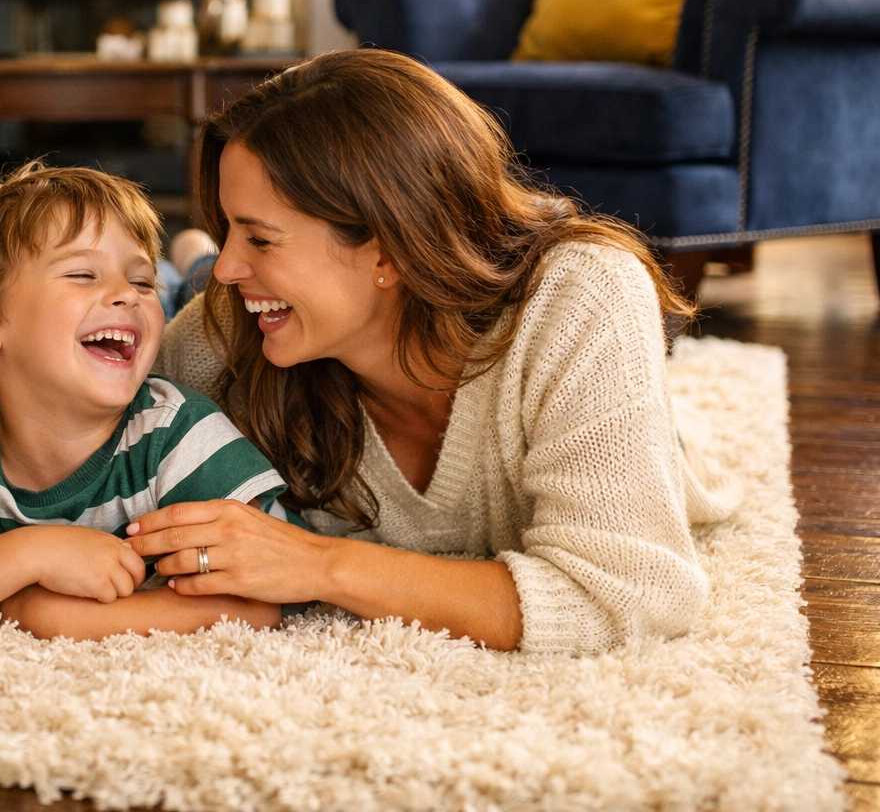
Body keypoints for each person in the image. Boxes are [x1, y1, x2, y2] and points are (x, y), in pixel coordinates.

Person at [124, 48, 739, 656]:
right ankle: (190, 254)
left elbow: (632, 595)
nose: (237, 267)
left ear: (390, 247)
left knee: (203, 275)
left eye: (260, 237)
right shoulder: (231, 323)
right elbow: (81, 421)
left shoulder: (582, 298)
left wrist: (319, 564)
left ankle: (192, 253)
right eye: (234, 230)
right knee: (194, 286)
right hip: (256, 302)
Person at [0, 163, 290, 640]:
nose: (126, 295)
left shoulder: (180, 432)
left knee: (195, 280)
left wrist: (61, 617)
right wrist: (32, 553)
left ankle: (191, 257)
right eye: (83, 274)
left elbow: (262, 596)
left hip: (173, 311)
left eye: (142, 282)